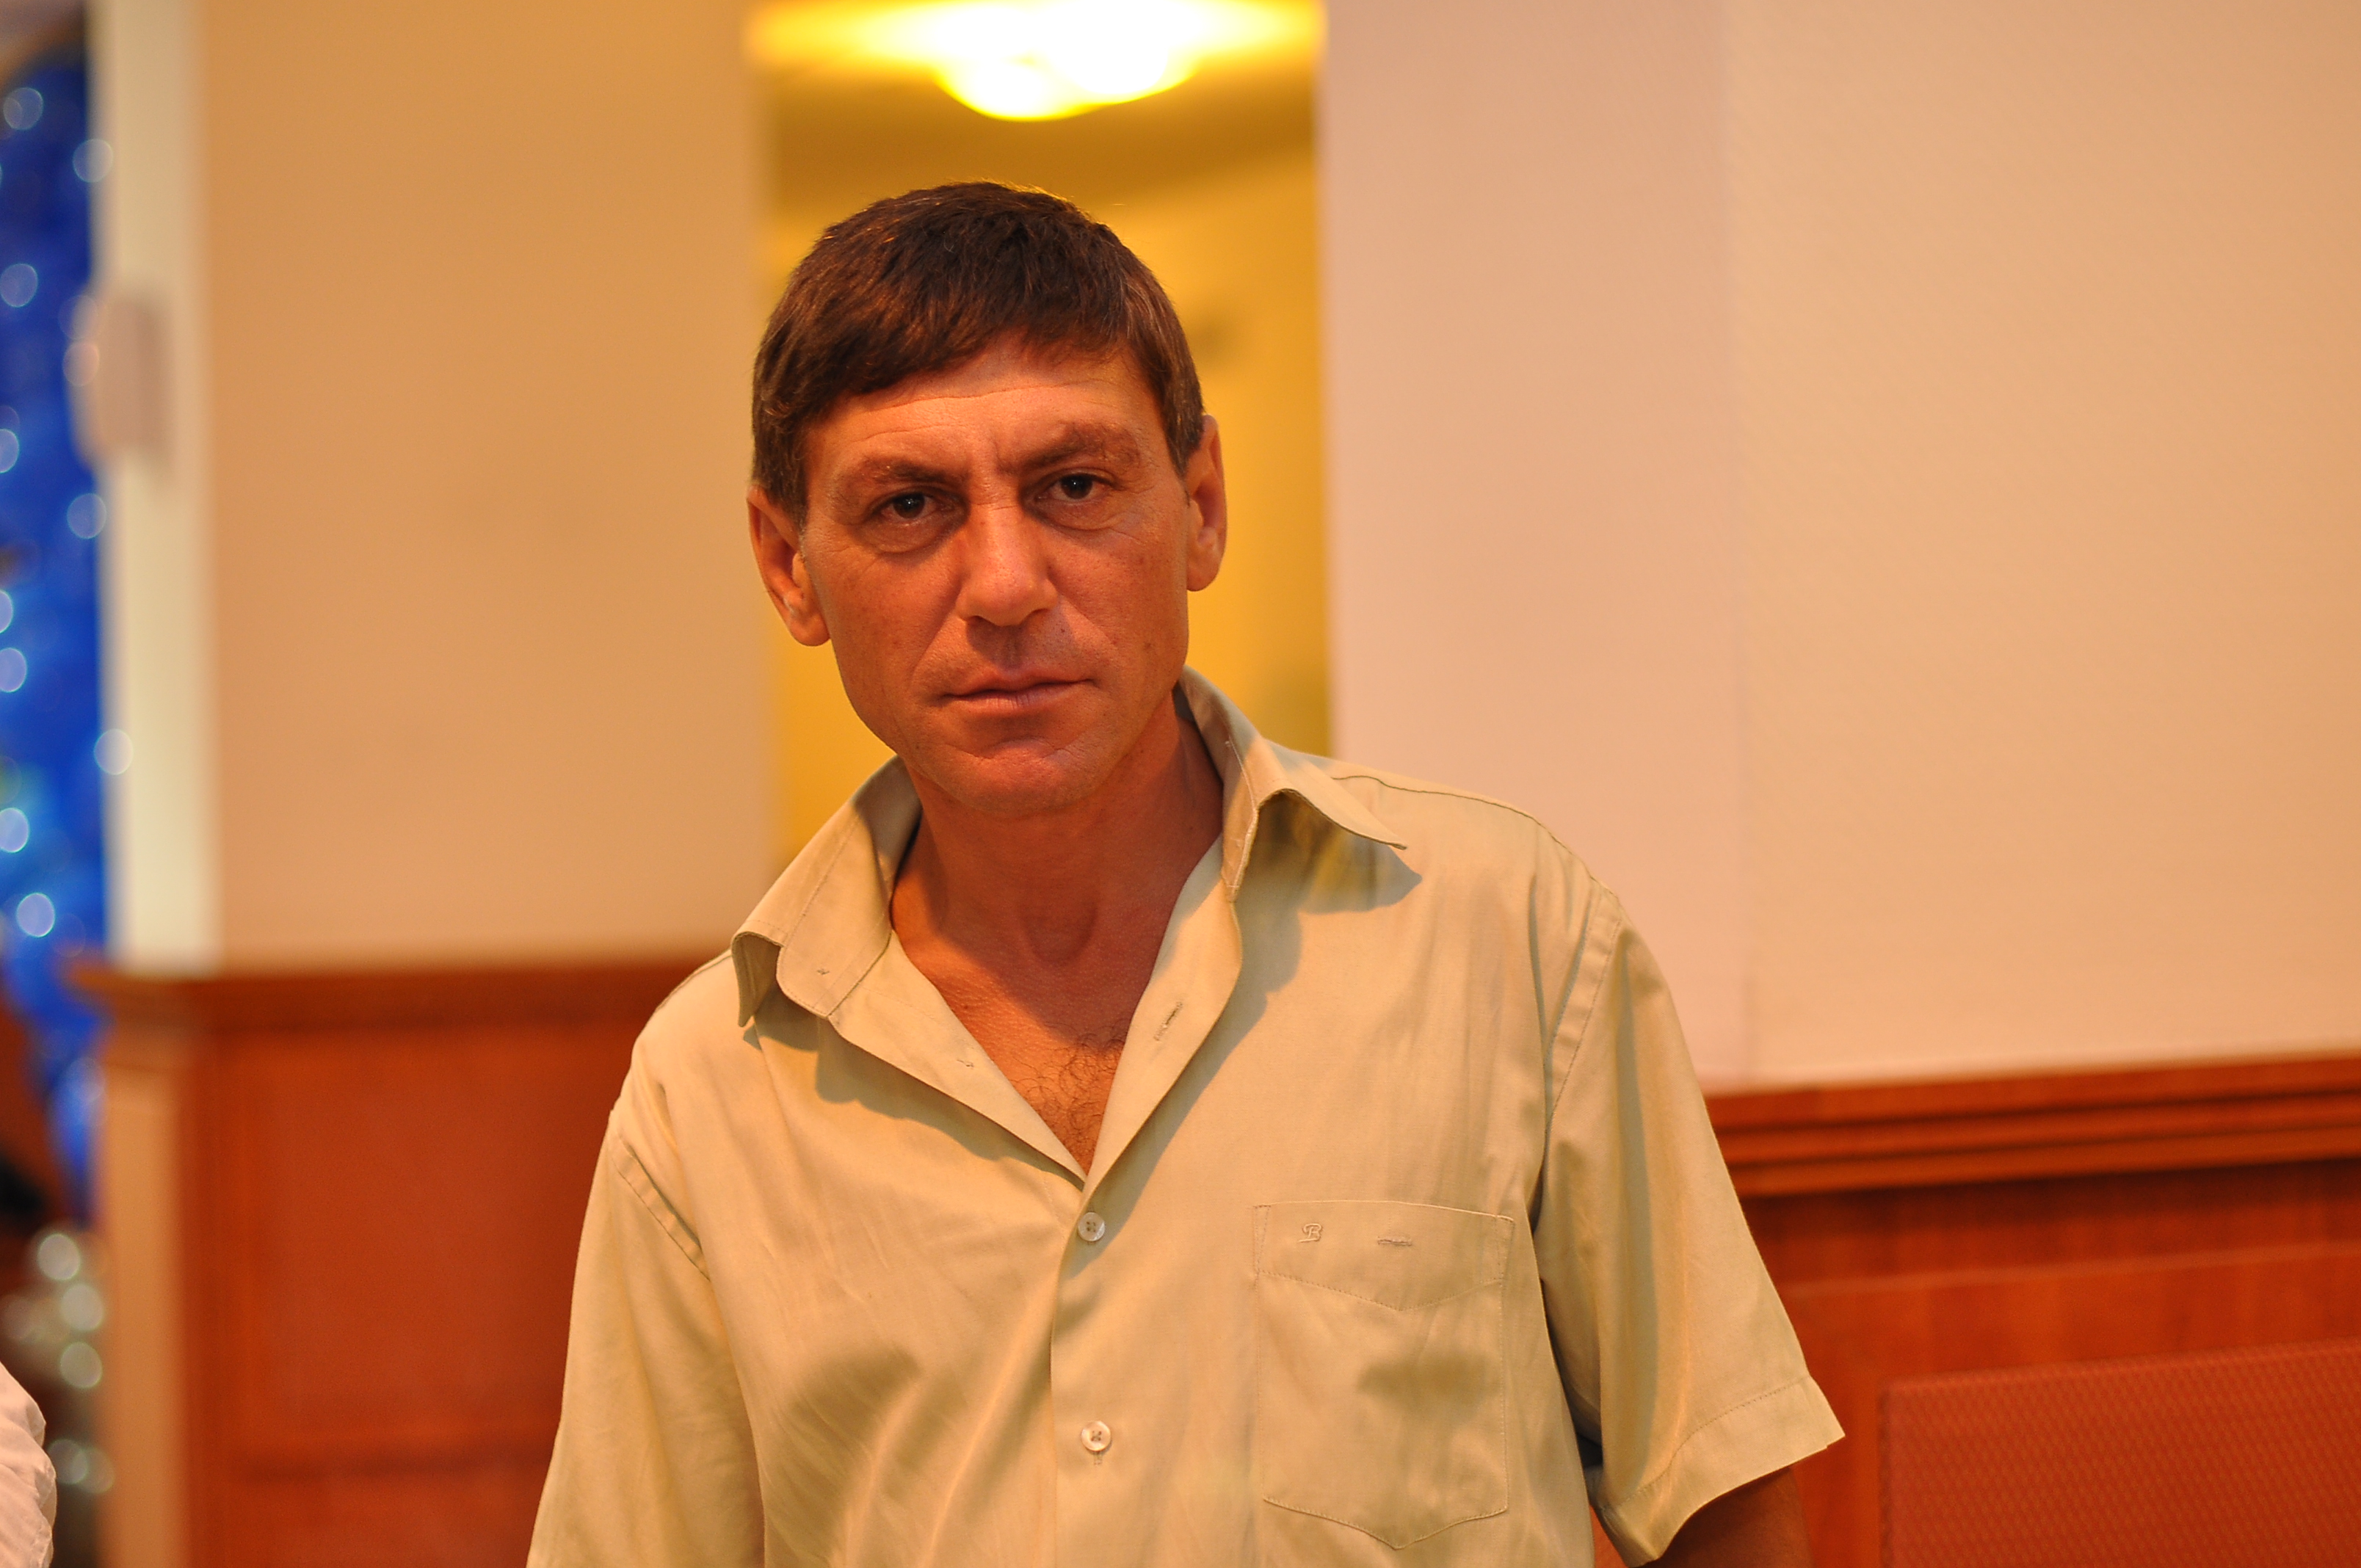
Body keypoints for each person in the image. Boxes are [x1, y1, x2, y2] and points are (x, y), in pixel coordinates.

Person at [529, 182, 1840, 1567]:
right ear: (789, 566)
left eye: (1073, 487)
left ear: (1200, 507)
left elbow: (1721, 1503)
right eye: (910, 505)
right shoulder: (709, 1092)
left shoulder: (1499, 937)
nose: (1006, 585)